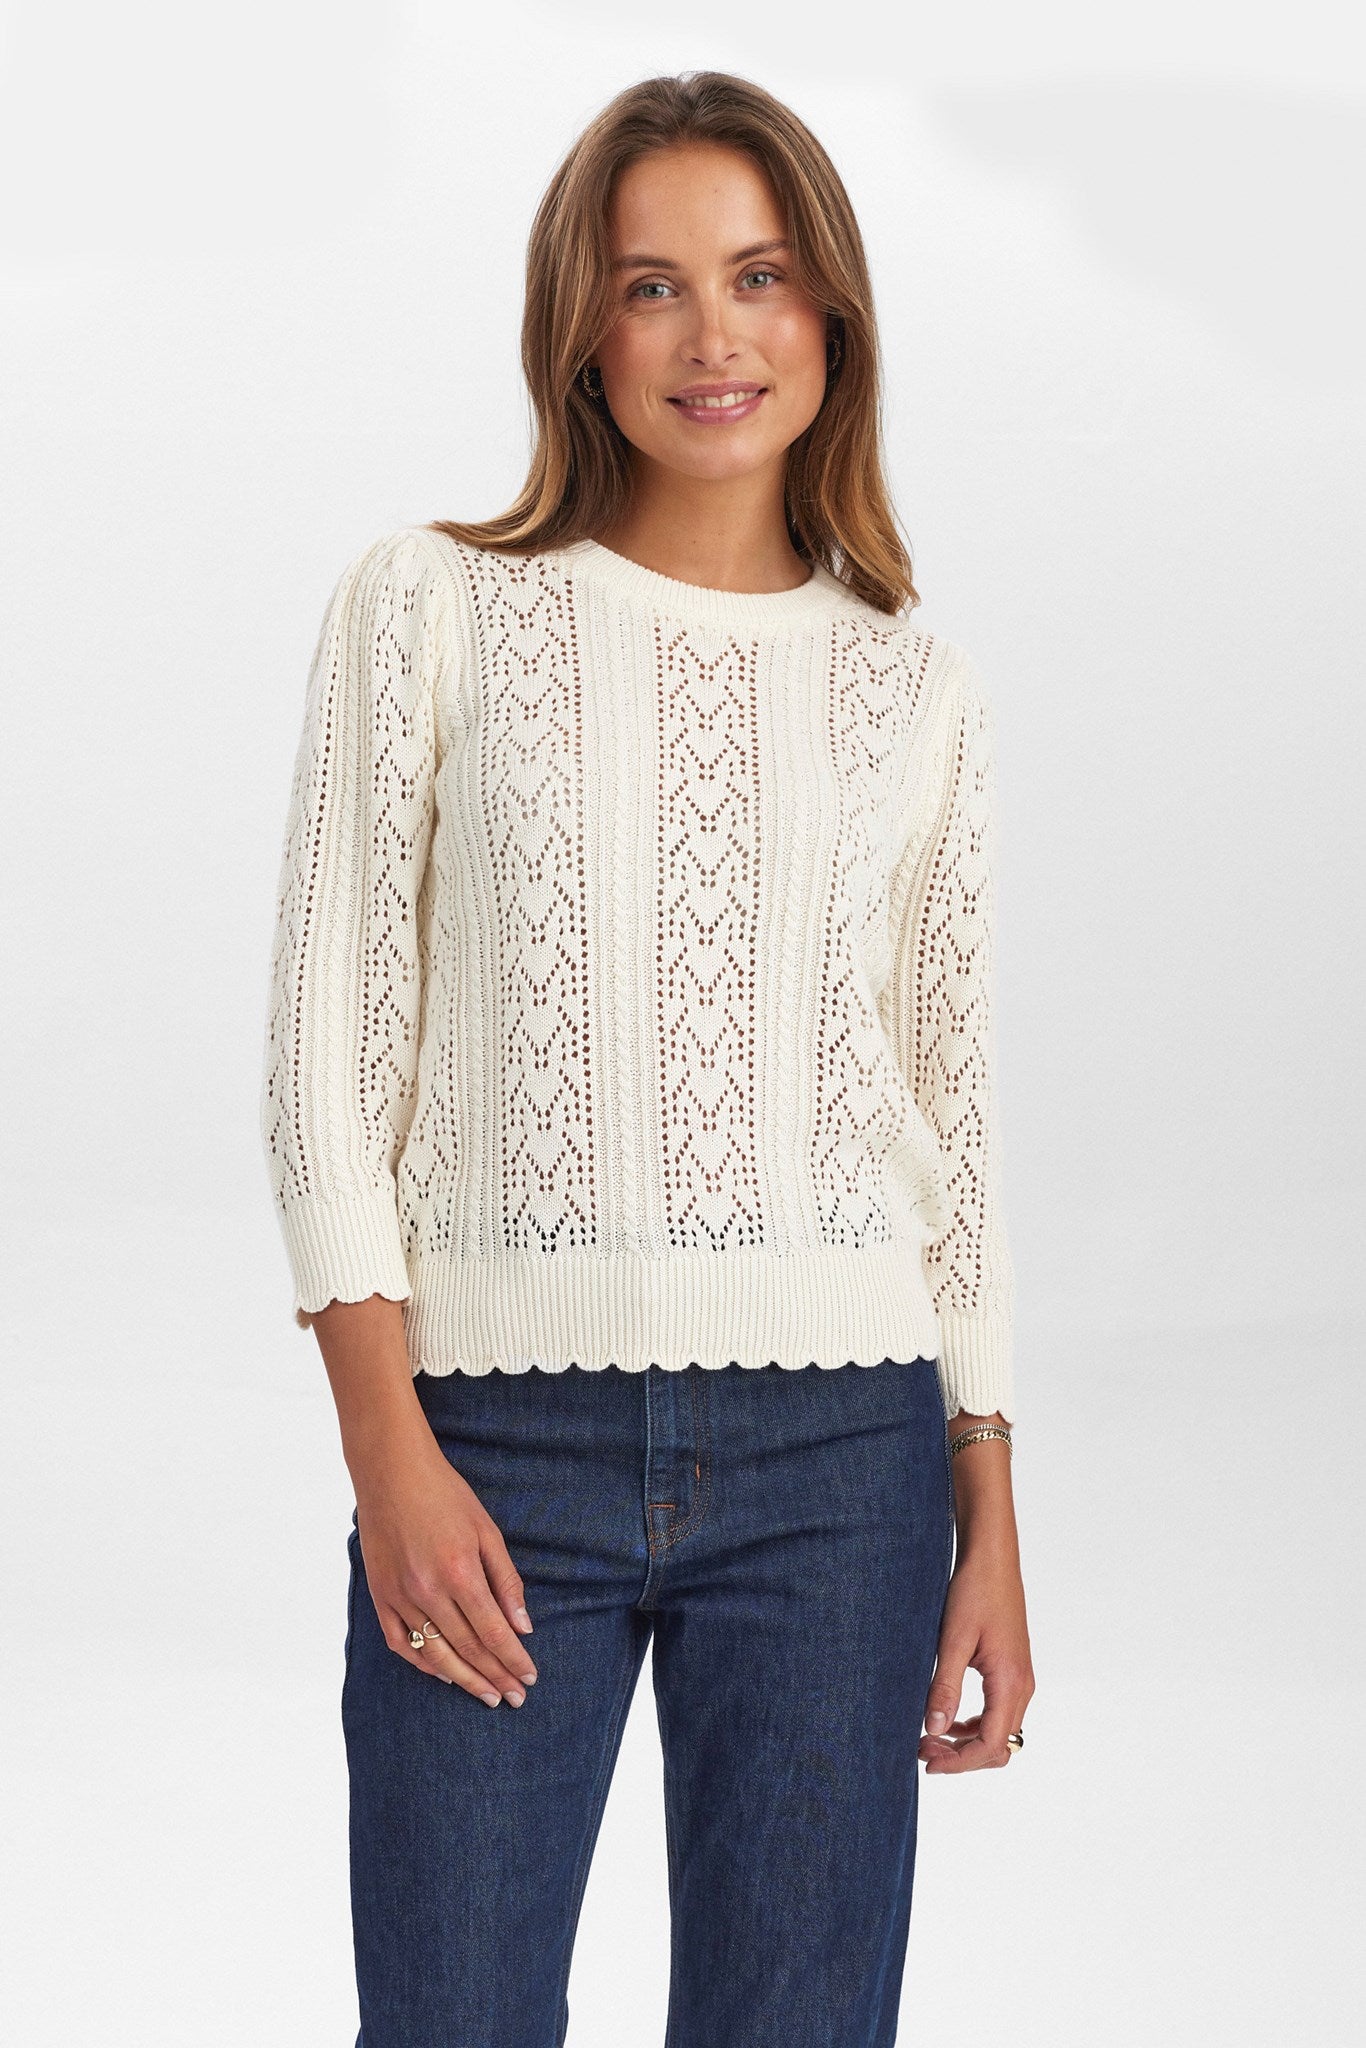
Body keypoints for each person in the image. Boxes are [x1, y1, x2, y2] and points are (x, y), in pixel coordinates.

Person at [259, 67, 1034, 2048]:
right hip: (488, 1450)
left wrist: (985, 1498)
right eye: (651, 285)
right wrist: (386, 1453)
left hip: (843, 1472)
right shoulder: (431, 606)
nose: (713, 337)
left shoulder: (913, 685)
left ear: (828, 313)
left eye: (758, 276)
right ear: (579, 332)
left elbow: (945, 1108)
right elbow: (329, 1053)